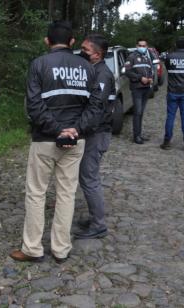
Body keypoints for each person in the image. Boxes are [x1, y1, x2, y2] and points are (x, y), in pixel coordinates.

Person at [9, 21, 102, 263]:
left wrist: (58, 130)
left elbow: (34, 106)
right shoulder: (88, 67)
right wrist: (75, 130)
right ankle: (61, 249)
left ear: (46, 41)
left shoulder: (39, 64)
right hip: (75, 142)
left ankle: (32, 249)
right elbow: (96, 106)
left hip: (45, 141)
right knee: (67, 194)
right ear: (72, 42)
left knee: (36, 194)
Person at [74, 34, 115, 239]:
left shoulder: (102, 74)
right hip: (92, 131)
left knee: (89, 178)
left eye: (85, 50)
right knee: (86, 176)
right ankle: (94, 217)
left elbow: (96, 106)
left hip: (97, 133)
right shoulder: (92, 70)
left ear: (97, 54)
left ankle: (98, 224)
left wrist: (77, 129)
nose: (81, 52)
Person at [160, 37, 184, 151]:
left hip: (172, 91)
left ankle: (167, 142)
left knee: (170, 117)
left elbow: (168, 70)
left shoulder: (169, 57)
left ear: (176, 45)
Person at [125, 38, 154, 144]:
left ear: (146, 46)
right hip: (137, 88)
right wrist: (140, 78)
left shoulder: (147, 57)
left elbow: (150, 70)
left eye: (144, 46)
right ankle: (136, 136)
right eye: (140, 45)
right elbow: (128, 72)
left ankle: (139, 134)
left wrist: (150, 78)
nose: (142, 47)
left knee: (141, 112)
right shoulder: (132, 57)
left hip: (146, 88)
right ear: (137, 46)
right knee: (137, 112)